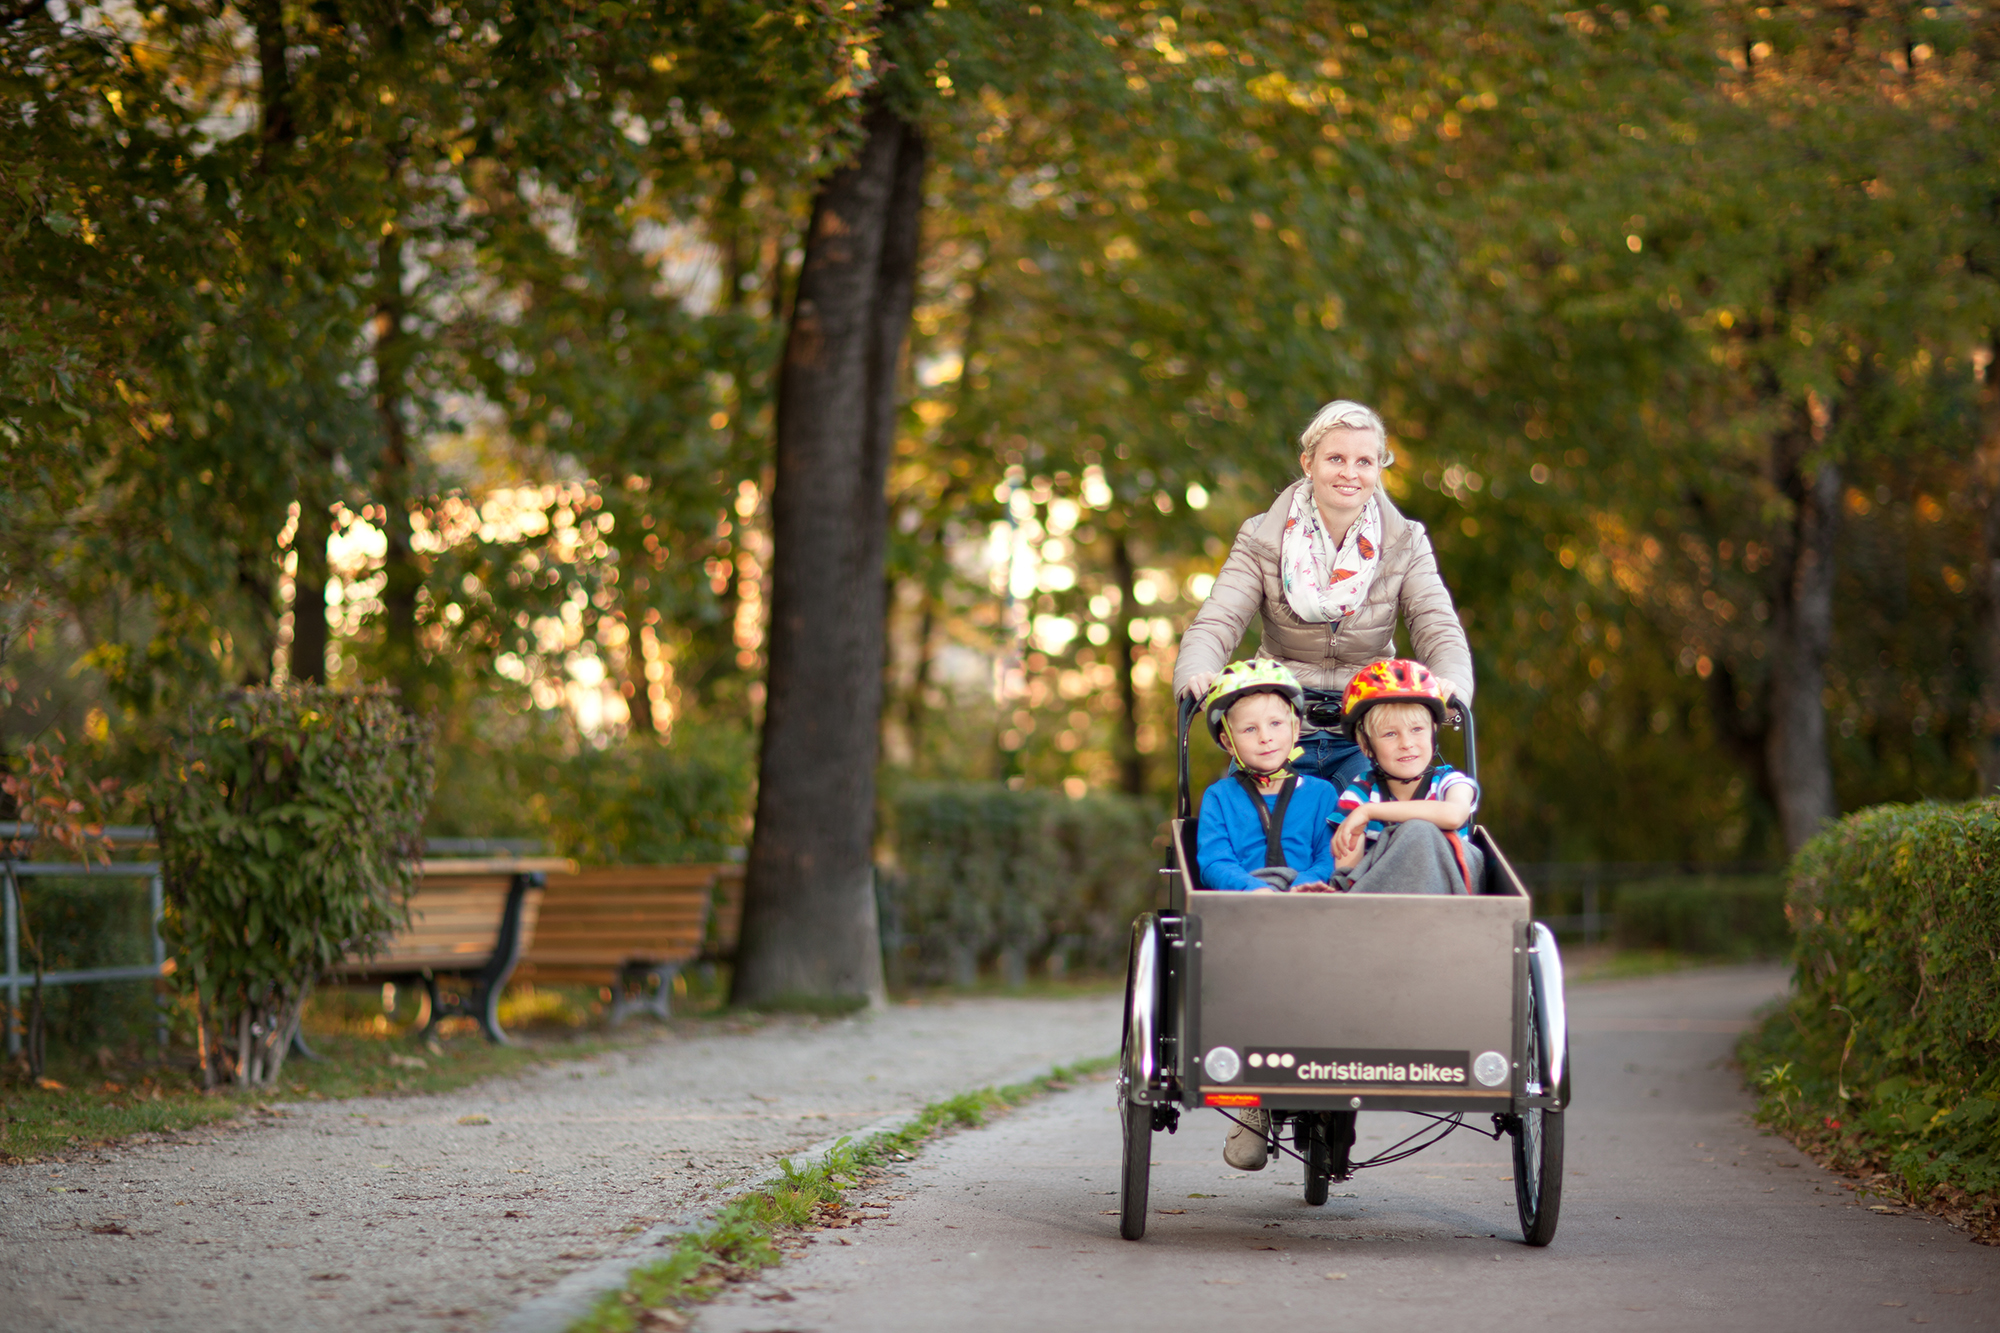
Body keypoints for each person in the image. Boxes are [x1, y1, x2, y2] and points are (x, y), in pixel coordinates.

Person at [1173, 400, 1473, 794]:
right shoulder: (1262, 537)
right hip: (1280, 719)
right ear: (1308, 463)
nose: (1350, 473)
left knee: (1384, 825)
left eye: (1364, 462)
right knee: (1249, 818)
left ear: (1378, 469)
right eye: (1336, 458)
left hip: (1366, 724)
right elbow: (1217, 622)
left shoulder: (1405, 541)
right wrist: (1197, 672)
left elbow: (1438, 625)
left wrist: (1452, 683)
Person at [1329, 659, 1484, 896]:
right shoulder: (1361, 791)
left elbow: (1453, 815)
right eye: (1390, 734)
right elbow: (1348, 875)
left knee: (1419, 831)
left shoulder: (1449, 783)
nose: (1406, 744)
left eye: (1417, 730)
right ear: (1367, 745)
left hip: (1446, 897)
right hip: (1383, 903)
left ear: (1433, 731)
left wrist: (1370, 812)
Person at [1194, 659, 1340, 895]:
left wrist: (1304, 884)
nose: (1265, 737)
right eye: (1250, 729)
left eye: (1275, 723)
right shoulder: (1219, 797)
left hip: (1306, 899)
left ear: (1295, 729)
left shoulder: (1322, 794)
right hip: (1245, 902)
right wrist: (1252, 889)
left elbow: (1329, 856)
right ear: (1228, 742)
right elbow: (1215, 862)